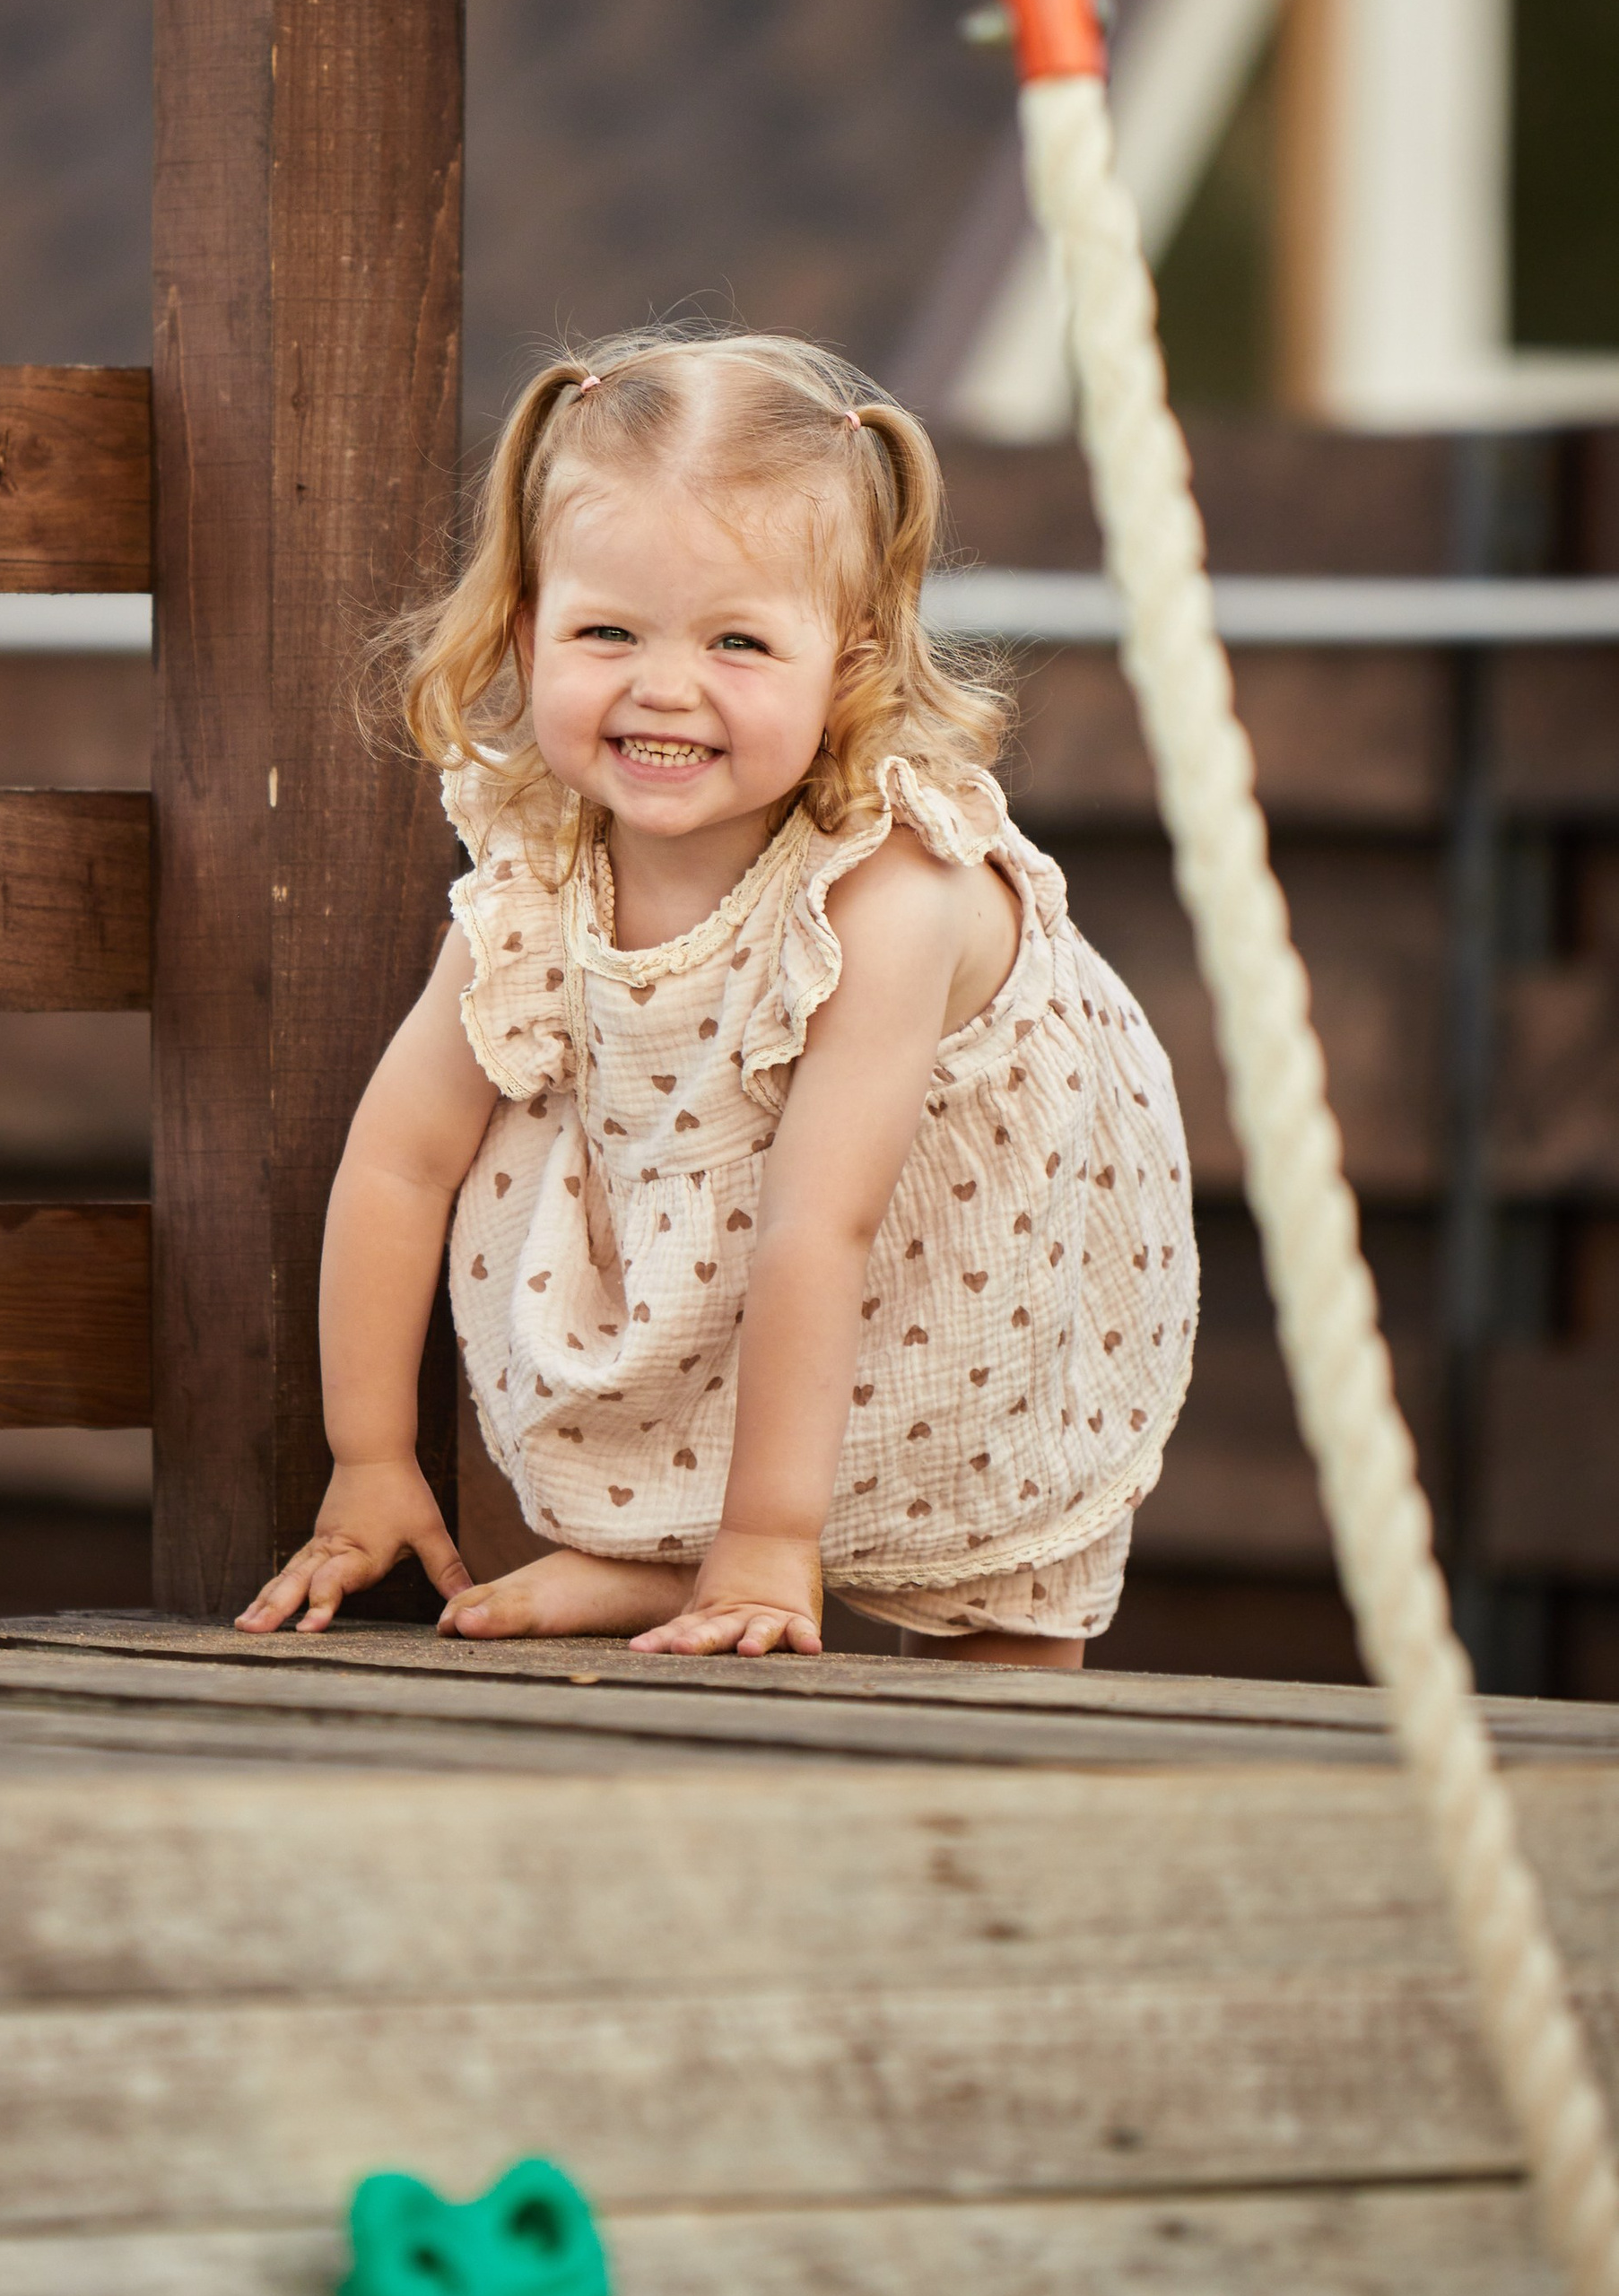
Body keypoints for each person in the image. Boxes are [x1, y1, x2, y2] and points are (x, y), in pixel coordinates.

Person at [238, 328, 1197, 1665]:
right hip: (733, 1213)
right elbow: (401, 1157)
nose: (664, 685)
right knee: (521, 1108)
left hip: (971, 1237)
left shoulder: (887, 898)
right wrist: (370, 1456)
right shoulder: (537, 878)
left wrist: (766, 1549)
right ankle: (663, 1562)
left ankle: (767, 1571)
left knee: (1000, 1626)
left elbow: (823, 1224)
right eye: (606, 630)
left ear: (849, 664)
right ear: (529, 632)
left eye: (739, 640)